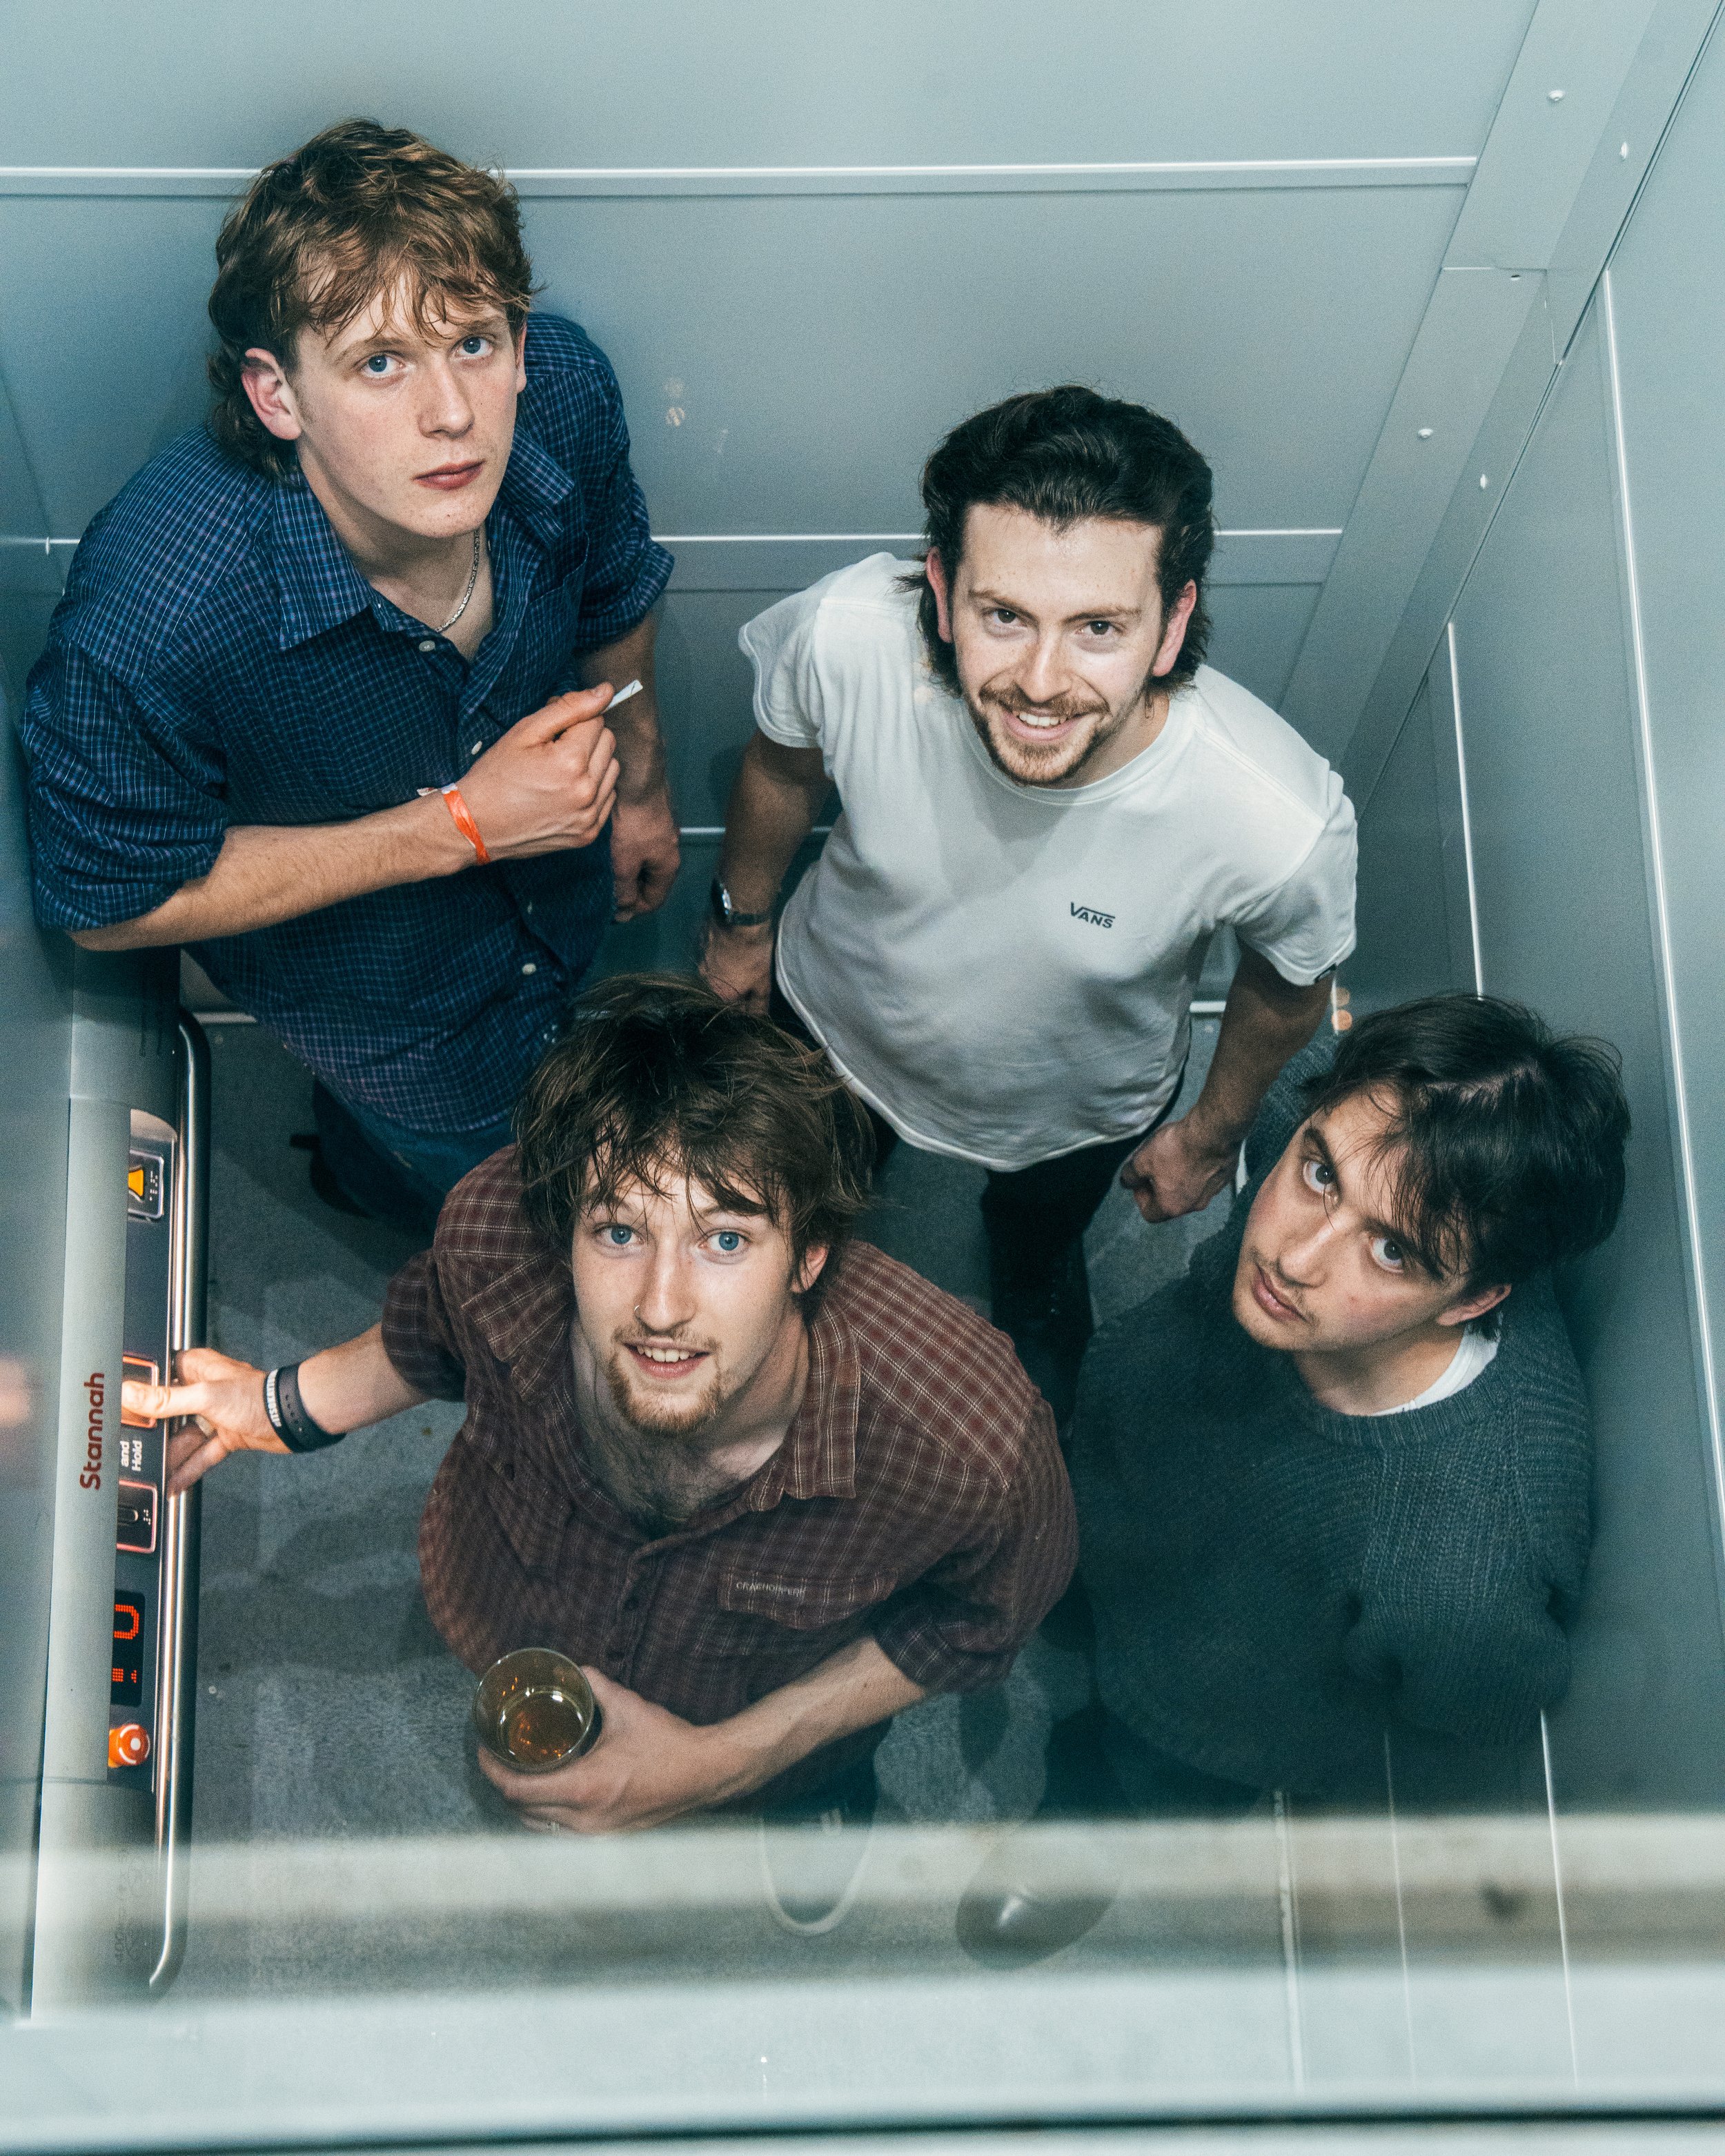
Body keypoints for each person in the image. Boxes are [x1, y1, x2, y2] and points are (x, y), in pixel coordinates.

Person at [127, 975, 1076, 1930]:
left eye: (726, 1237)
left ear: (809, 1255)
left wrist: (728, 1764)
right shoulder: (496, 1230)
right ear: (563, 1230)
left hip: (762, 1710)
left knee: (791, 1783)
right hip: (513, 1597)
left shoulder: (969, 1442)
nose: (662, 1304)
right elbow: (432, 1333)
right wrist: (275, 1404)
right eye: (619, 1230)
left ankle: (800, 1806)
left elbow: (977, 1622)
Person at [21, 119, 679, 1227]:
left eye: (474, 343)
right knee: (472, 1188)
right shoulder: (153, 613)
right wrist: (463, 826)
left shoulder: (559, 392)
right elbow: (106, 902)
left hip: (560, 913)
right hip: (384, 1015)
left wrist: (647, 786)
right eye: (381, 363)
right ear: (276, 396)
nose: (453, 414)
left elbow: (615, 586)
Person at [700, 385, 1356, 1419]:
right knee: (798, 1204)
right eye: (1003, 615)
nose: (1042, 683)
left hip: (1075, 1110)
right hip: (829, 1027)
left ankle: (1037, 1293)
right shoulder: (845, 637)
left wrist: (1212, 1132)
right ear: (943, 587)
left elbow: (1287, 984)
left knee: (1038, 1255)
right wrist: (738, 928)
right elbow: (782, 770)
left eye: (1099, 626)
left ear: (1174, 620)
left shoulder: (1273, 816)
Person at [958, 993, 1632, 1965]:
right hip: (1121, 1471)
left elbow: (1469, 1707)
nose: (1294, 1253)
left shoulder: (1466, 1558)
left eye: (1392, 1249)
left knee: (1138, 1777)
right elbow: (1302, 1048)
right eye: (1321, 1175)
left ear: (1477, 1296)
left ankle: (1084, 1837)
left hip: (1215, 1698)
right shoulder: (1313, 1130)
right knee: (1054, 1578)